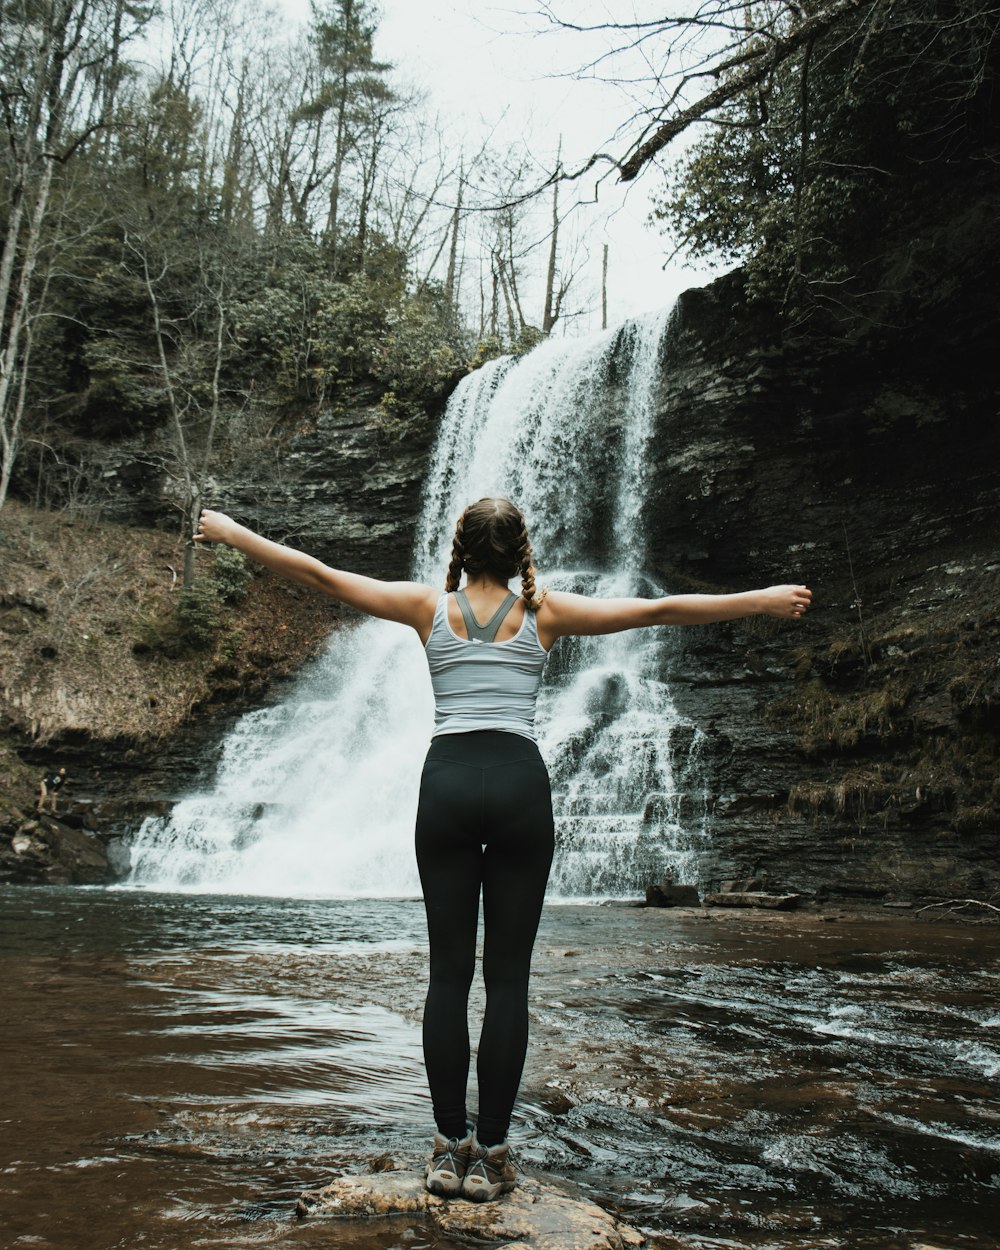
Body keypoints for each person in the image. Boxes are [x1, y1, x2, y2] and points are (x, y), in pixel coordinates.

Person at [194, 497, 811, 1202]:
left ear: (460, 547)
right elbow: (659, 611)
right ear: (521, 551)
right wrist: (759, 600)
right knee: (507, 980)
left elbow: (321, 576)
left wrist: (233, 532)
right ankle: (491, 1154)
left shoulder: (427, 607)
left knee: (449, 977)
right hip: (520, 787)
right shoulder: (546, 613)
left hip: (448, 785)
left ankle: (446, 1147)